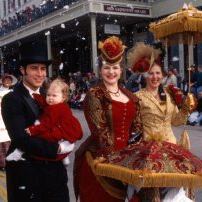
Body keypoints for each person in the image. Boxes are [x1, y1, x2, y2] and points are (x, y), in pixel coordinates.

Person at [74, 36, 143, 202]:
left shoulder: (131, 96)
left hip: (128, 160)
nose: (111, 72)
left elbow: (138, 129)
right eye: (107, 68)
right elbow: (101, 133)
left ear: (121, 70)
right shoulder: (94, 95)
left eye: (115, 67)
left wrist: (137, 156)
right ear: (100, 70)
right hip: (102, 160)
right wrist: (119, 166)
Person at [2, 41, 72, 202]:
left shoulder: (51, 95)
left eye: (42, 69)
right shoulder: (11, 99)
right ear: (22, 70)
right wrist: (58, 148)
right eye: (34, 68)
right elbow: (21, 139)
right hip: (28, 175)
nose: (40, 74)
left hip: (56, 175)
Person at [127, 42, 197, 200]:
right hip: (149, 151)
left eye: (158, 73)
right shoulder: (138, 97)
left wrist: (186, 108)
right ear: (145, 76)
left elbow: (176, 121)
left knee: (175, 189)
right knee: (153, 192)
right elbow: (133, 125)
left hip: (171, 149)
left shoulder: (169, 95)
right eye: (151, 73)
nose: (155, 77)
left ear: (163, 75)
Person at [15, 78, 83, 166]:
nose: (50, 98)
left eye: (54, 96)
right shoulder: (60, 105)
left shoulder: (56, 108)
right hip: (65, 129)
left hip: (60, 130)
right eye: (48, 95)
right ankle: (64, 157)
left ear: (64, 98)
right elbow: (45, 105)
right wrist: (37, 97)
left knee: (41, 136)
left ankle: (19, 153)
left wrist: (33, 130)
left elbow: (47, 124)